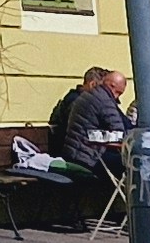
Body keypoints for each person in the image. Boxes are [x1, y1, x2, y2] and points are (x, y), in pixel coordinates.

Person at [47, 66, 134, 218]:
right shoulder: (104, 100)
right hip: (87, 157)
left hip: (77, 152)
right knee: (134, 164)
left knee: (125, 163)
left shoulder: (91, 96)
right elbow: (121, 132)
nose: (118, 97)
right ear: (111, 85)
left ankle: (125, 211)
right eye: (118, 92)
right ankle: (134, 213)